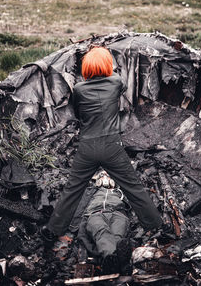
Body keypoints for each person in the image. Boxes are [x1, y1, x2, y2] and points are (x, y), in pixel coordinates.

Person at [41, 46, 162, 243]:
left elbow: (79, 114)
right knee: (133, 187)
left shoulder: (79, 89)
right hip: (111, 146)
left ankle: (52, 231)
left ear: (87, 67)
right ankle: (156, 225)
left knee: (73, 190)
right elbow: (116, 83)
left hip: (87, 146)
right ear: (107, 65)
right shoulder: (116, 82)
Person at [77, 170, 133, 275]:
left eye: (108, 175)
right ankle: (121, 263)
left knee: (118, 237)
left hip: (118, 213)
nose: (106, 177)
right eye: (102, 175)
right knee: (101, 231)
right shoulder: (91, 192)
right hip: (95, 214)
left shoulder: (121, 192)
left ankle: (112, 262)